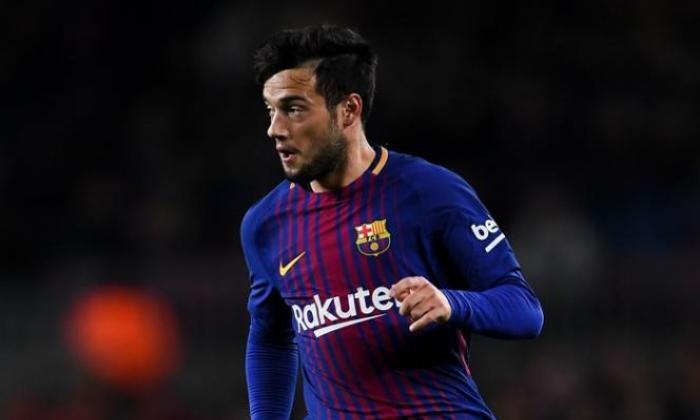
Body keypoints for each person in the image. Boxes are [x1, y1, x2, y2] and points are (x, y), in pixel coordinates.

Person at [242, 24, 544, 419]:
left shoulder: (431, 192)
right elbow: (270, 338)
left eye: (294, 109)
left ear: (348, 110)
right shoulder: (265, 224)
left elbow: (525, 309)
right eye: (271, 110)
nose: (275, 129)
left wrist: (451, 303)